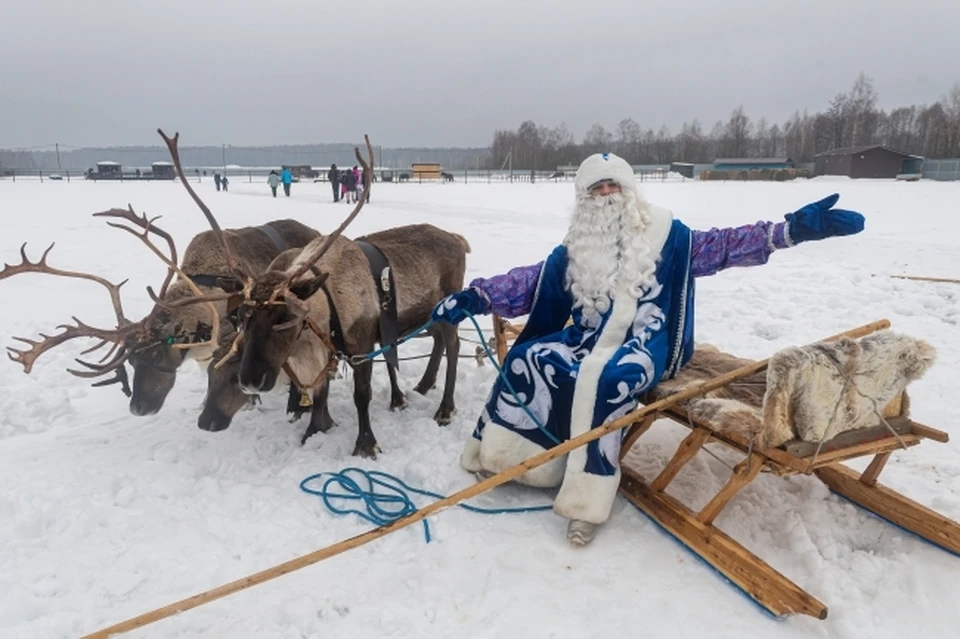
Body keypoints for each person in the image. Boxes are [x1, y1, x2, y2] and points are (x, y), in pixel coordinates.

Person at [430, 152, 865, 546]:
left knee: (607, 381)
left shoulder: (669, 237)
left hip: (644, 343)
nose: (606, 196)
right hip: (586, 338)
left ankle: (586, 500)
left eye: (613, 186)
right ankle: (516, 458)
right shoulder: (579, 245)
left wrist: (788, 231)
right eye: (596, 189)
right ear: (583, 199)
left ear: (629, 190)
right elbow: (529, 280)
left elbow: (726, 245)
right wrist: (478, 296)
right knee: (532, 358)